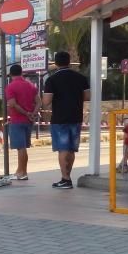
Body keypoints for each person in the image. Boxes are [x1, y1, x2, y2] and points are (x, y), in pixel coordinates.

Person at [41, 51, 90, 189]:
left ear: (56, 63)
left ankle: (65, 179)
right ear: (69, 62)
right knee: (71, 149)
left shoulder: (52, 80)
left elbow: (46, 101)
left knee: (62, 149)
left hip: (60, 118)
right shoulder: (81, 78)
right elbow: (87, 96)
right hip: (76, 117)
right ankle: (68, 176)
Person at [4, 63, 39, 180]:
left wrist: (26, 113)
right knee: (23, 147)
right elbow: (39, 102)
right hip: (29, 121)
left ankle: (22, 173)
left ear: (10, 74)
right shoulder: (31, 86)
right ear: (21, 73)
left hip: (17, 119)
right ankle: (21, 171)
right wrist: (33, 114)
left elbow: (13, 104)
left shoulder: (10, 87)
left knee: (20, 147)